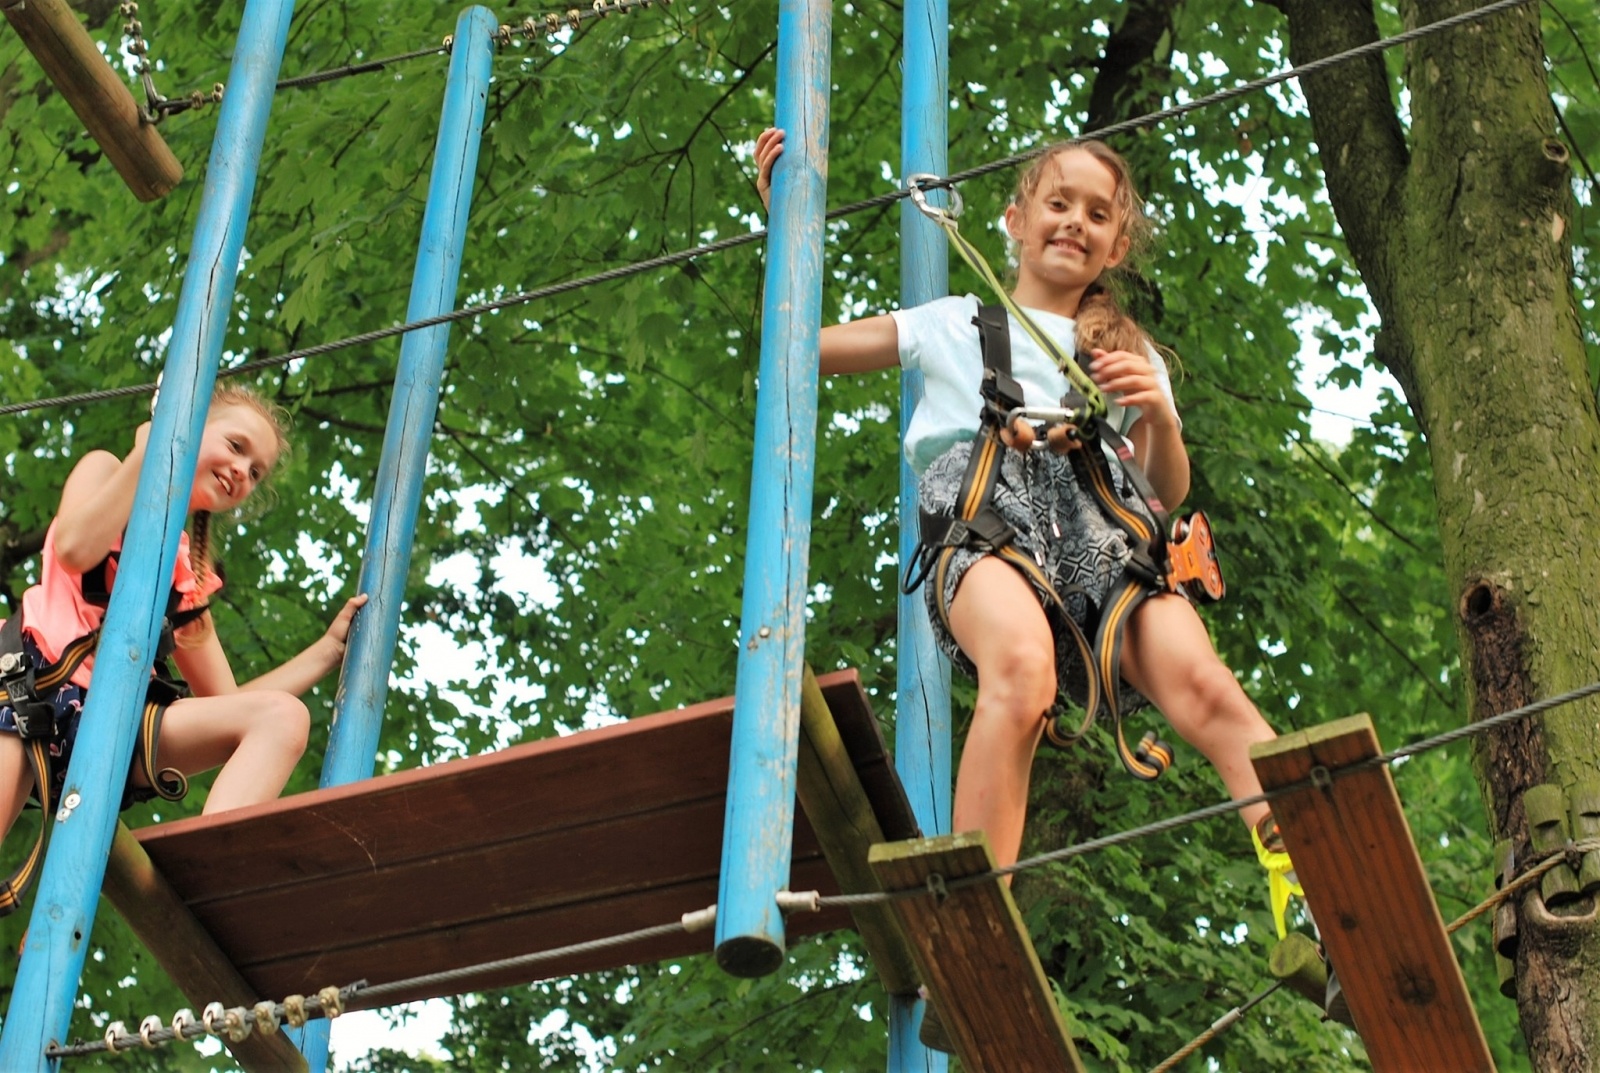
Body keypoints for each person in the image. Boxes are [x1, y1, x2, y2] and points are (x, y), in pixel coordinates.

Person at [754, 127, 1289, 906]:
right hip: (987, 514)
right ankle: (977, 902)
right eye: (1058, 202)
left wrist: (1162, 415)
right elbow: (800, 349)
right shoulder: (951, 323)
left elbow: (1162, 486)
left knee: (1201, 680)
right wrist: (786, 233)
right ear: (1015, 219)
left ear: (1116, 246)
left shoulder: (1121, 352)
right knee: (1023, 671)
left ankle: (1298, 853)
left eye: (1097, 214)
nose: (1075, 220)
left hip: (1103, 528)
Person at [0, 385, 365, 883]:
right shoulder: (109, 470)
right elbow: (74, 549)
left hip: (117, 721)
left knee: (281, 719)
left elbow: (227, 701)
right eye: (236, 447)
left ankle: (211, 874)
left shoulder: (187, 575)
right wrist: (152, 448)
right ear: (189, 425)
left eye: (255, 472)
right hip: (29, 695)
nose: (242, 471)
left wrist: (326, 652)